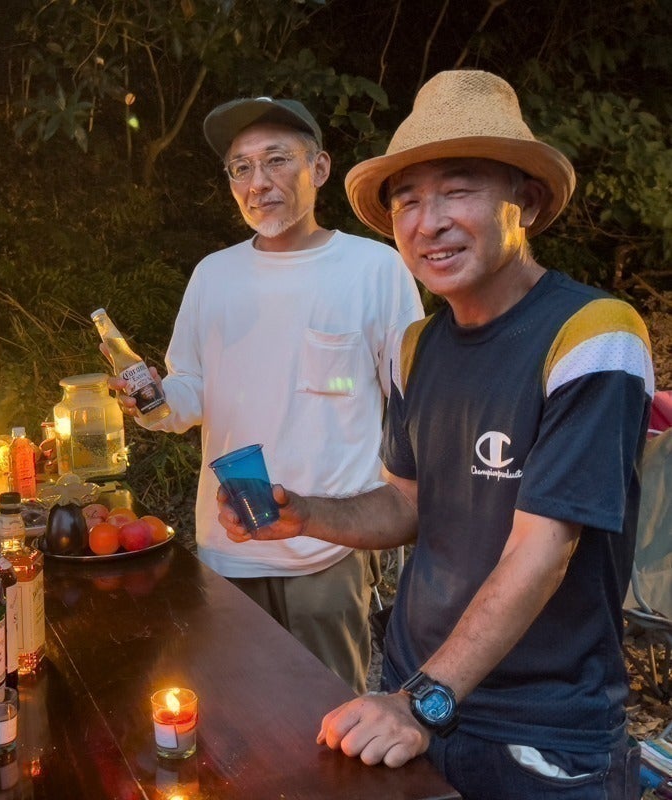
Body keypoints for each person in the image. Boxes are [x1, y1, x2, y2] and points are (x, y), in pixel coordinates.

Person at [217, 70, 651, 799]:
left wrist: (421, 702)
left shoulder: (592, 336)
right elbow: (408, 504)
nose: (429, 222)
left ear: (525, 202)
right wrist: (305, 514)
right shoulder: (415, 349)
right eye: (409, 200)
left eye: (458, 190)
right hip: (415, 693)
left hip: (536, 732)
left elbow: (543, 547)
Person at [109, 97, 423, 693]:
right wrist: (153, 399)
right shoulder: (214, 275)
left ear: (319, 168)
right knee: (238, 717)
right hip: (228, 544)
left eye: (277, 160)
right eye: (241, 167)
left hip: (328, 547)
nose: (258, 183)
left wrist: (403, 517)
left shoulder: (374, 269)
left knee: (329, 716)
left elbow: (412, 406)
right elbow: (190, 392)